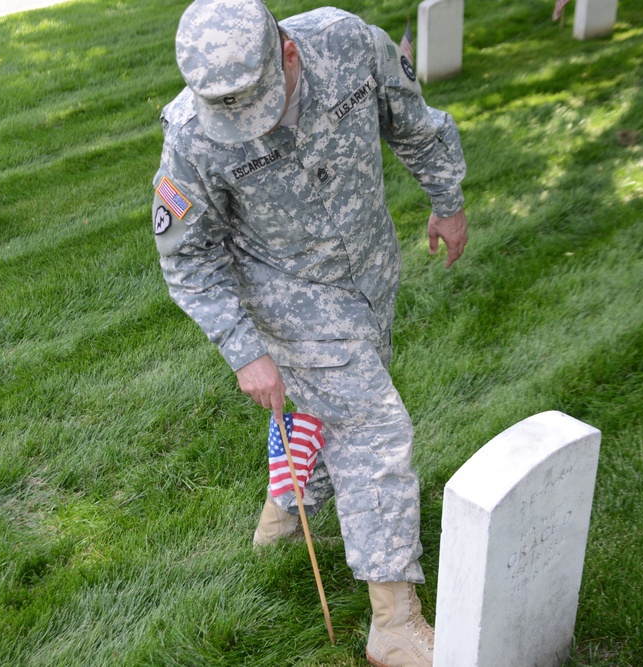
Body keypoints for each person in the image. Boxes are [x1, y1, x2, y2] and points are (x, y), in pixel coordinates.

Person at [152, 1, 467, 665]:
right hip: (286, 294)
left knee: (333, 412)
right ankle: (394, 623)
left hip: (370, 271)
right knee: (373, 428)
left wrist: (448, 199)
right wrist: (245, 351)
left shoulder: (348, 43)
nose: (244, 125)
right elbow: (188, 257)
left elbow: (412, 120)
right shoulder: (192, 134)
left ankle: (286, 516)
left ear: (287, 53)